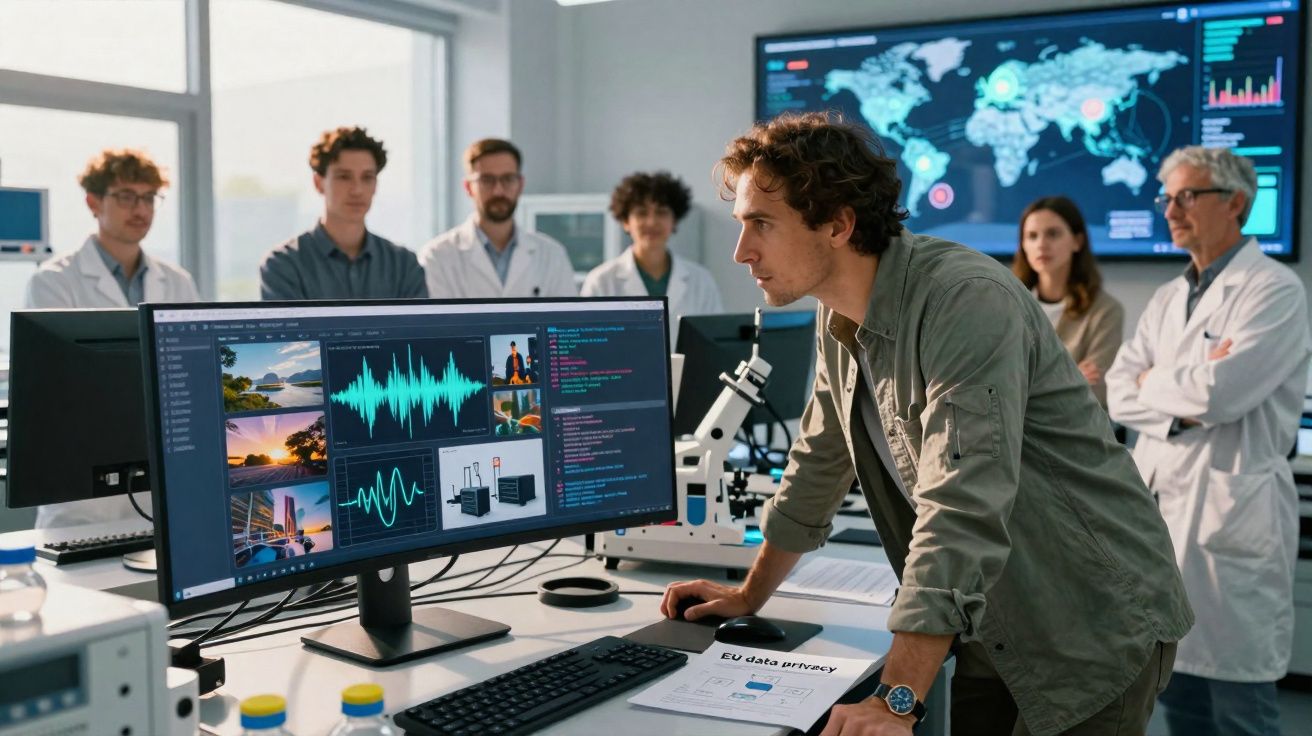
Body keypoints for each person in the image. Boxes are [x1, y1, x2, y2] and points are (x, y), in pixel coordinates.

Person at [660, 112, 1192, 736]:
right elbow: (819, 460)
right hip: (993, 615)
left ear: (838, 224)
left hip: (1089, 616)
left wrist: (896, 699)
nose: (741, 251)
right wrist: (750, 595)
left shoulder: (963, 299)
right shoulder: (840, 316)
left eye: (762, 224)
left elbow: (961, 502)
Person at [1106, 146, 1310, 736]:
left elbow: (1219, 395)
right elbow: (1119, 390)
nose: (1171, 210)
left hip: (1232, 520)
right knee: (1179, 702)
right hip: (1161, 521)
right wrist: (1180, 397)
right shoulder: (1169, 297)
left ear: (1236, 203)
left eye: (1188, 197)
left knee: (1241, 712)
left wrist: (1158, 383)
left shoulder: (1274, 290)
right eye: (1167, 198)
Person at [25, 147, 199, 529]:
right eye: (126, 197)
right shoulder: (54, 282)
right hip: (81, 493)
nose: (140, 209)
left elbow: (191, 377)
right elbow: (60, 390)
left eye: (149, 198)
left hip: (159, 484)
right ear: (93, 201)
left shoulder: (178, 282)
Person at [259, 126, 426, 300]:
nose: (357, 190)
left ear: (376, 185)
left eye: (367, 177)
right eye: (344, 177)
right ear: (318, 183)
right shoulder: (284, 264)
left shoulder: (404, 265)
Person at [419, 138, 576, 298]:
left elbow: (567, 314)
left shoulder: (551, 255)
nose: (498, 191)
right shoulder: (437, 256)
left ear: (520, 185)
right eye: (487, 180)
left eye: (508, 179)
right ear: (468, 187)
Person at [581, 171, 722, 340]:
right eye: (641, 213)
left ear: (674, 220)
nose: (652, 222)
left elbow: (715, 340)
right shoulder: (601, 281)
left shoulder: (701, 281)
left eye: (661, 212)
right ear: (626, 222)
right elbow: (588, 342)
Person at [1013, 196, 1123, 407]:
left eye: (1053, 234)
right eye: (1032, 236)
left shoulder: (1105, 311)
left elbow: (1094, 395)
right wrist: (1070, 377)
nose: (1041, 244)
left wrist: (1028, 385)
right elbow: (993, 384)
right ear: (1023, 246)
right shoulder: (1007, 305)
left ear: (1077, 241)